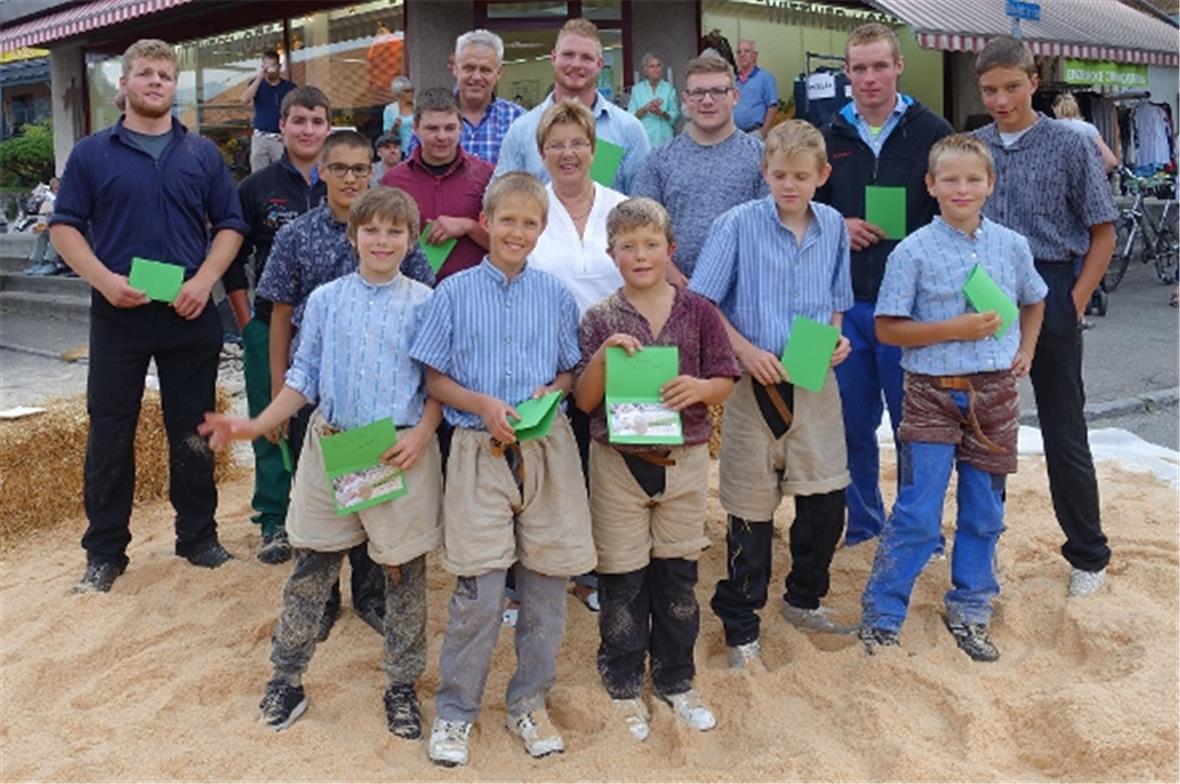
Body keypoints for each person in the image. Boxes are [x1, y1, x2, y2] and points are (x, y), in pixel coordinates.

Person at [199, 187, 444, 736]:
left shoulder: (426, 303)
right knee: (311, 566)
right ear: (354, 235)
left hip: (396, 452)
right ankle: (286, 677)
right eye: (372, 230)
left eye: (395, 231)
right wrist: (256, 423)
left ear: (410, 240)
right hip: (334, 445)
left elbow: (437, 384)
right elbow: (303, 377)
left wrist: (425, 433)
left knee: (402, 572)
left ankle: (401, 685)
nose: (383, 241)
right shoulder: (327, 300)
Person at [49, 39, 247, 593]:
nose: (156, 81)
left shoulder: (201, 154)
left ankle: (198, 537)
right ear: (124, 87)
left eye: (165, 74)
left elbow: (230, 225)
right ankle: (106, 552)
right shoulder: (92, 153)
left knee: (193, 430)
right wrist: (105, 281)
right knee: (110, 431)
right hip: (120, 313)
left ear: (174, 85)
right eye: (145, 74)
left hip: (188, 310)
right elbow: (65, 226)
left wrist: (205, 281)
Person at [410, 173, 595, 768]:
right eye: (507, 220)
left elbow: (570, 370)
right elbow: (433, 379)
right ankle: (456, 711)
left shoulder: (555, 295)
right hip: (476, 450)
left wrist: (555, 386)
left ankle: (529, 701)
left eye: (530, 223)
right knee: (480, 590)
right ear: (486, 222)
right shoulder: (454, 292)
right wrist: (484, 404)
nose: (517, 232)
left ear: (543, 230)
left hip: (548, 450)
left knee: (545, 585)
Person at [859, 134, 1047, 661]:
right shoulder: (912, 251)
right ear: (931, 185)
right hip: (930, 394)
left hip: (994, 393)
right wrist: (954, 328)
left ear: (989, 184)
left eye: (972, 179)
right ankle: (883, 611)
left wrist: (1026, 349)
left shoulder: (1011, 246)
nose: (961, 188)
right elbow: (890, 329)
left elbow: (1034, 301)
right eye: (950, 179)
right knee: (919, 510)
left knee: (984, 509)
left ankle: (971, 607)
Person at [256, 130, 435, 638]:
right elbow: (283, 320)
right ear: (323, 172)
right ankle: (326, 603)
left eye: (361, 169)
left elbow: (432, 368)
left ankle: (371, 598)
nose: (351, 177)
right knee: (323, 525)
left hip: (387, 424)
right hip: (329, 406)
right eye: (341, 168)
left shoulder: (418, 292)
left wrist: (421, 428)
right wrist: (276, 401)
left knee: (383, 530)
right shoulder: (301, 242)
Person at [689, 120, 854, 668]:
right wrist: (742, 350)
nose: (790, 185)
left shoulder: (832, 225)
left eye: (801, 176)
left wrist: (834, 339)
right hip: (750, 382)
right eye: (780, 174)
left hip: (811, 377)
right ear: (765, 172)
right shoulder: (735, 225)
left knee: (827, 502)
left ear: (821, 176)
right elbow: (704, 302)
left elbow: (837, 297)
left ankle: (805, 598)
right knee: (749, 511)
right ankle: (742, 624)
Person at [575, 197, 739, 740]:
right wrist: (601, 358)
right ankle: (622, 679)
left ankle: (675, 678)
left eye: (651, 245)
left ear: (670, 250)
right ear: (611, 253)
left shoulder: (698, 311)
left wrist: (700, 388)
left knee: (676, 576)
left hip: (685, 458)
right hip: (619, 460)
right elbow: (583, 400)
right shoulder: (600, 317)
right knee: (622, 577)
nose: (640, 255)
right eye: (628, 246)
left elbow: (725, 378)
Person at [972, 37, 1118, 597]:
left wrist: (1076, 298)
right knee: (988, 431)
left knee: (1064, 428)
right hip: (986, 288)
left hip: (1053, 280)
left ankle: (1088, 556)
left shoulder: (1069, 144)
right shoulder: (973, 144)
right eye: (990, 89)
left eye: (1011, 86)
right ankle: (986, 552)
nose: (1001, 99)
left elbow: (1103, 229)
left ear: (1034, 81)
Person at [817, 22, 953, 548]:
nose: (869, 78)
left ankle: (919, 530)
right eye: (859, 68)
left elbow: (954, 212)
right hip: (841, 305)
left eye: (879, 66)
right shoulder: (826, 135)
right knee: (848, 426)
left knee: (915, 428)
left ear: (899, 66)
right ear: (846, 73)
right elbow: (799, 209)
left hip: (911, 310)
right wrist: (837, 227)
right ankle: (865, 525)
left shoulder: (932, 131)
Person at [221, 86, 331, 565]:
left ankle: (332, 513)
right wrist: (247, 322)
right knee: (271, 420)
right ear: (281, 126)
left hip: (331, 331)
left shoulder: (344, 181)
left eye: (317, 121)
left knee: (333, 420)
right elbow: (232, 256)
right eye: (299, 120)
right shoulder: (256, 187)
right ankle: (273, 519)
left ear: (329, 127)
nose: (308, 130)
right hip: (270, 324)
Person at [529, 97, 628, 612]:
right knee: (557, 468)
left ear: (594, 149)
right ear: (541, 152)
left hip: (615, 356)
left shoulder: (619, 207)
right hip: (549, 361)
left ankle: (601, 570)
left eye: (577, 143)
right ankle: (561, 567)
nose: (568, 153)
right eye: (556, 144)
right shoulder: (533, 211)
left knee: (607, 468)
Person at [632, 54, 766, 286]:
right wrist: (672, 276)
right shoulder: (658, 161)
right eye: (697, 93)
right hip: (675, 294)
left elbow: (771, 231)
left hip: (744, 292)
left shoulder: (763, 159)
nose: (706, 100)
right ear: (685, 99)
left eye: (717, 91)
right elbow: (639, 227)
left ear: (735, 96)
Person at [494, 18, 650, 194]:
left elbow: (643, 206)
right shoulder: (522, 130)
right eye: (568, 55)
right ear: (553, 58)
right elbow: (501, 200)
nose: (576, 64)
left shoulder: (628, 130)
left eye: (586, 58)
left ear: (599, 64)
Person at [382, 87, 492, 283]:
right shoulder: (392, 182)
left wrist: (468, 226)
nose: (442, 136)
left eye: (450, 128)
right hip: (411, 297)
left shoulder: (487, 177)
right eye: (432, 128)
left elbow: (505, 243)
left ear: (461, 127)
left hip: (473, 297)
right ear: (415, 128)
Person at [405, 29, 524, 166]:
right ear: (455, 69)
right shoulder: (429, 117)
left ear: (498, 73)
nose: (476, 77)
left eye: (485, 70)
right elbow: (412, 172)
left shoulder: (517, 120)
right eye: (469, 68)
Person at [241, 49, 295, 173]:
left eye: (273, 66)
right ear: (262, 66)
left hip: (280, 138)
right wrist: (259, 77)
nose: (270, 70)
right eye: (267, 66)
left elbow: (297, 112)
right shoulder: (257, 84)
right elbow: (244, 99)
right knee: (259, 175)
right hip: (260, 137)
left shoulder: (289, 88)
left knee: (283, 173)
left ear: (279, 67)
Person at [1051, 93, 1119, 172]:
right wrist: (1094, 175)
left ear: (1054, 109)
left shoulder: (1050, 129)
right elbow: (1111, 162)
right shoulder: (1088, 129)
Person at [628, 54, 679, 147]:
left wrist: (661, 113)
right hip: (645, 139)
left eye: (658, 65)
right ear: (645, 70)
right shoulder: (637, 90)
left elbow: (675, 114)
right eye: (652, 66)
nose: (656, 69)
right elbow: (631, 117)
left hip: (665, 139)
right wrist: (645, 108)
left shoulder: (668, 88)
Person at [733, 39, 777, 139]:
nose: (742, 54)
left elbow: (772, 106)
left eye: (746, 51)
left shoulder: (765, 77)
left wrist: (764, 131)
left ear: (755, 56)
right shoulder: (732, 80)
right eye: (739, 52)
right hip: (734, 135)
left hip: (755, 133)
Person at [24, 178, 65, 276]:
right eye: (54, 189)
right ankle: (37, 261)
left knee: (56, 234)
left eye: (58, 189)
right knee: (43, 235)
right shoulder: (50, 202)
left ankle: (50, 262)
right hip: (55, 227)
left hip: (66, 230)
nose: (56, 191)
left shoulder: (67, 201)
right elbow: (46, 219)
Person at [383, 76, 415, 151]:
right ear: (398, 93)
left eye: (412, 90)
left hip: (419, 148)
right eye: (407, 91)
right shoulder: (390, 109)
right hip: (401, 150)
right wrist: (395, 127)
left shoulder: (418, 106)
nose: (411, 93)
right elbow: (387, 135)